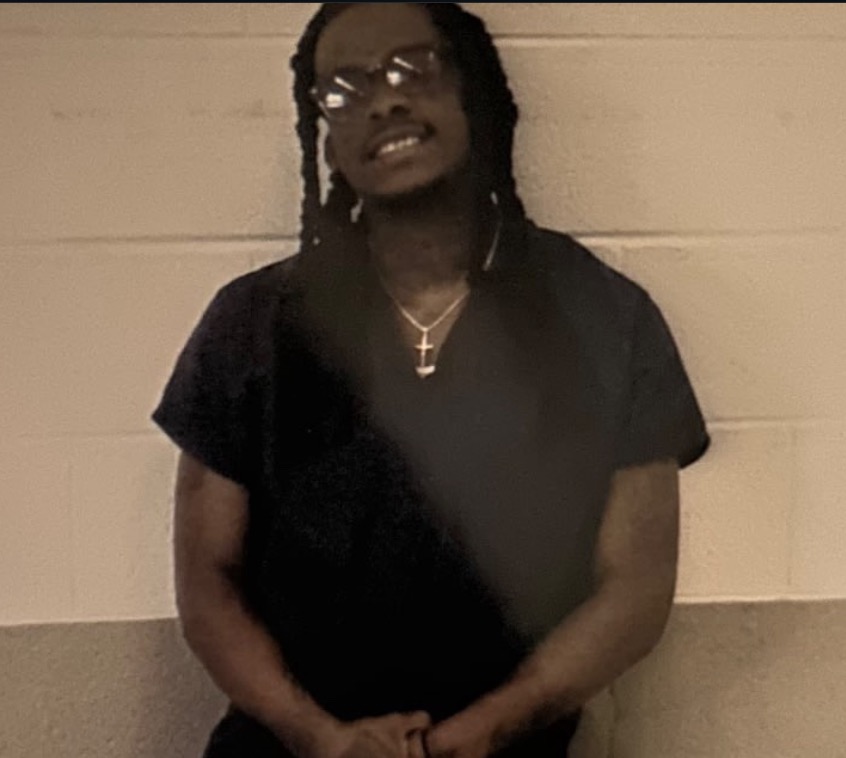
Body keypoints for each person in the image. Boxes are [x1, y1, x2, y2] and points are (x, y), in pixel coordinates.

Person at [152, 4, 710, 757]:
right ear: (325, 134)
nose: (384, 100)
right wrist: (324, 739)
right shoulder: (252, 324)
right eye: (345, 88)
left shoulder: (604, 317)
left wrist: (477, 735)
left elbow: (635, 589)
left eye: (414, 67)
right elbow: (207, 581)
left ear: (472, 90)